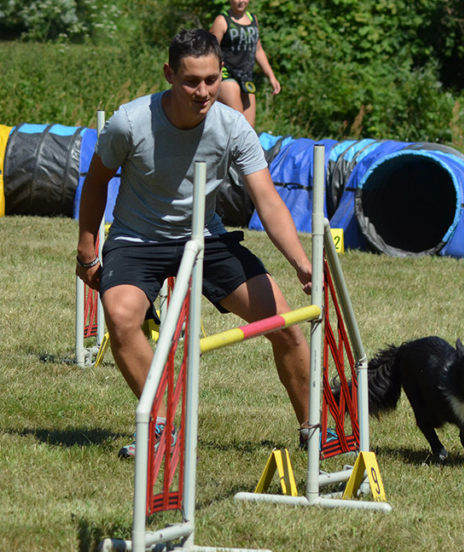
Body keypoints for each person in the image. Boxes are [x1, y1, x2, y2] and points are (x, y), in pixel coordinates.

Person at [76, 28, 313, 458]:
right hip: (136, 238)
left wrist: (300, 261)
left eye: (211, 80)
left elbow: (268, 199)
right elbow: (95, 183)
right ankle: (163, 425)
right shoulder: (130, 122)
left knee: (288, 328)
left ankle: (314, 429)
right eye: (191, 81)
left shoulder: (232, 126)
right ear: (169, 74)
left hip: (206, 237)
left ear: (221, 74)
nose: (203, 91)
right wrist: (88, 250)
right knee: (120, 314)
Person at [210, 0, 281, 127]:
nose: (241, 1)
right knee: (238, 125)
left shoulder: (253, 19)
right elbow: (209, 51)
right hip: (227, 76)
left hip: (246, 77)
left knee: (249, 131)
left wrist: (271, 76)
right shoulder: (222, 21)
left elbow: (258, 49)